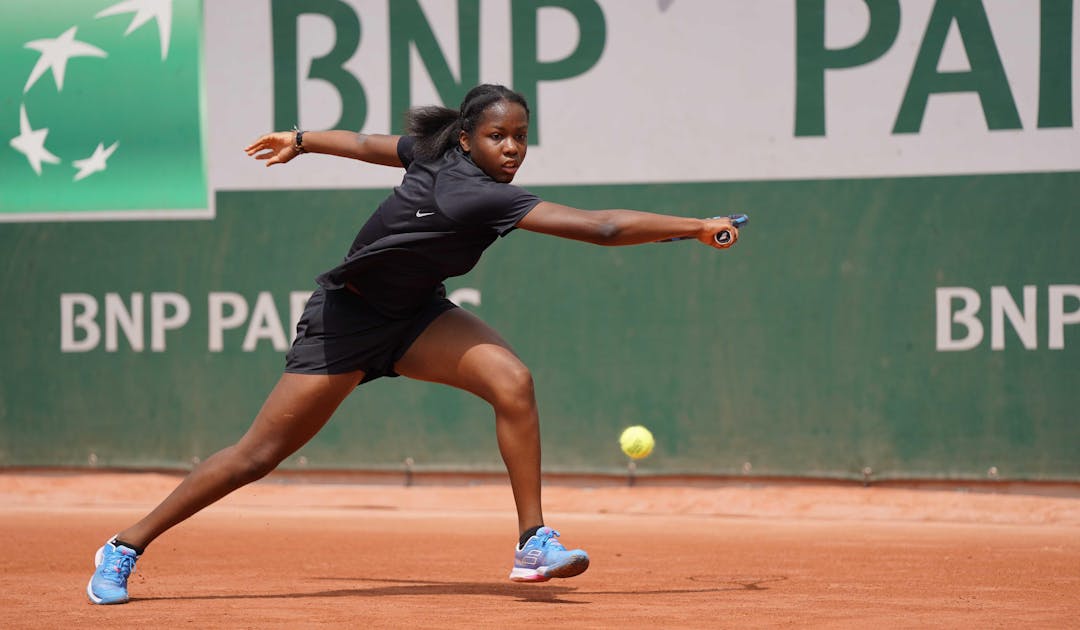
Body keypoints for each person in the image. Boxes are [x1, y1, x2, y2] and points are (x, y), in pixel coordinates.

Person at [86, 83, 740, 604]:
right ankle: (125, 545)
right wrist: (695, 226)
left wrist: (304, 139)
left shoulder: (439, 153)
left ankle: (533, 542)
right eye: (498, 136)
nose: (511, 148)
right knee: (255, 456)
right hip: (348, 321)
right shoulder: (472, 194)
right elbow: (601, 228)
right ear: (467, 138)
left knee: (512, 381)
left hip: (417, 317)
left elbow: (375, 144)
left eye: (520, 137)